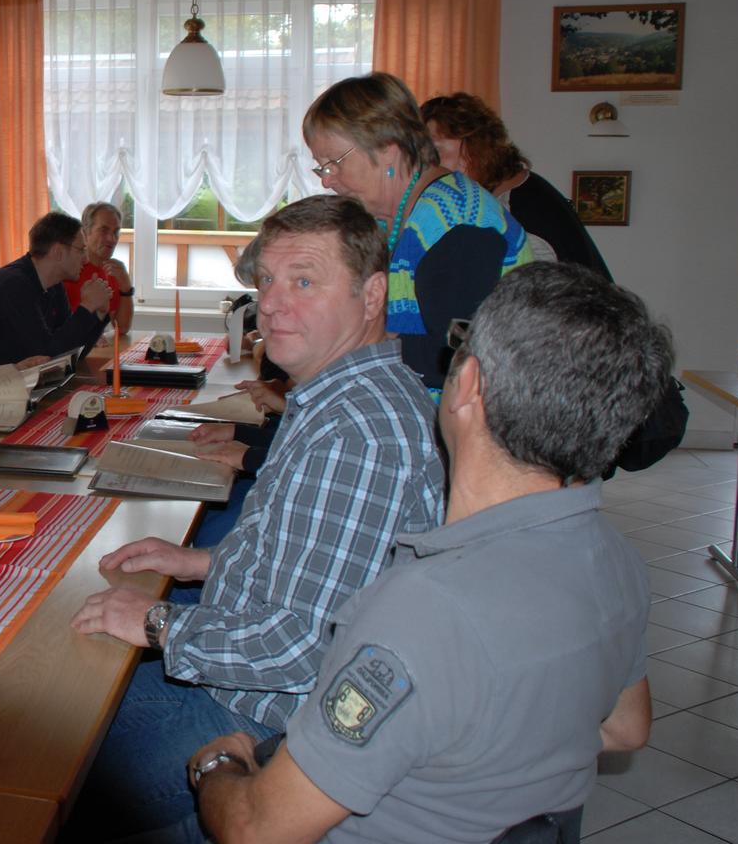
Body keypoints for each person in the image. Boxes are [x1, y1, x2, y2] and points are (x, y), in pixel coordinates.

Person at [190, 263, 670, 844]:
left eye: (460, 344)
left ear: (468, 386)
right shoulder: (615, 558)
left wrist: (217, 764)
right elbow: (626, 728)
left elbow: (254, 829)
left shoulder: (421, 610)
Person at [66, 196, 446, 842]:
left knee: (45, 755)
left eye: (303, 281)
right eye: (267, 280)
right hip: (246, 670)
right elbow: (309, 559)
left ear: (372, 294)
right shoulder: (338, 394)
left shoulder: (360, 432)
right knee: (71, 687)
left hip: (264, 718)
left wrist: (158, 621)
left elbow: (302, 646)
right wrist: (199, 561)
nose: (270, 305)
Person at [304, 72, 533, 398]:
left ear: (387, 149)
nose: (326, 180)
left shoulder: (458, 225)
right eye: (321, 166)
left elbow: (452, 366)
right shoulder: (394, 221)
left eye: (334, 163)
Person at [421, 91, 613, 280]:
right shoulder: (526, 188)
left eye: (436, 151)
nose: (427, 165)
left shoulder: (516, 212)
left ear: (474, 148)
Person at [0, 211, 111, 366]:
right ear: (58, 252)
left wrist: (98, 314)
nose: (86, 259)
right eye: (81, 250)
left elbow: (71, 351)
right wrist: (87, 306)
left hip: (22, 377)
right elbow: (44, 355)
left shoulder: (54, 285)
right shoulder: (13, 284)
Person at [64, 201, 134, 339]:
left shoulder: (113, 271)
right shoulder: (68, 270)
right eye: (104, 230)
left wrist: (126, 288)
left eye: (116, 232)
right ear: (85, 232)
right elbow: (56, 328)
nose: (112, 239)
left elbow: (122, 327)